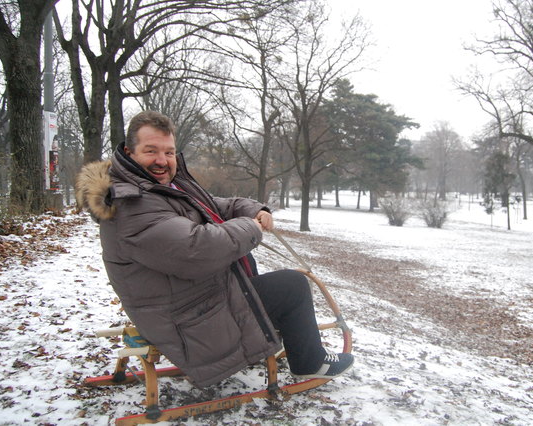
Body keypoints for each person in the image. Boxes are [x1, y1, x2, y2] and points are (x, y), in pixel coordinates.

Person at [76, 110, 353, 387]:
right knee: (291, 285)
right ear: (129, 152)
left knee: (258, 275)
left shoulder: (158, 187)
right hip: (187, 319)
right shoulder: (132, 204)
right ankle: (309, 362)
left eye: (169, 152)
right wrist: (251, 227)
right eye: (151, 151)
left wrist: (256, 210)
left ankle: (271, 337)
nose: (162, 161)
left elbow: (213, 206)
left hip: (194, 299)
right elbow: (197, 249)